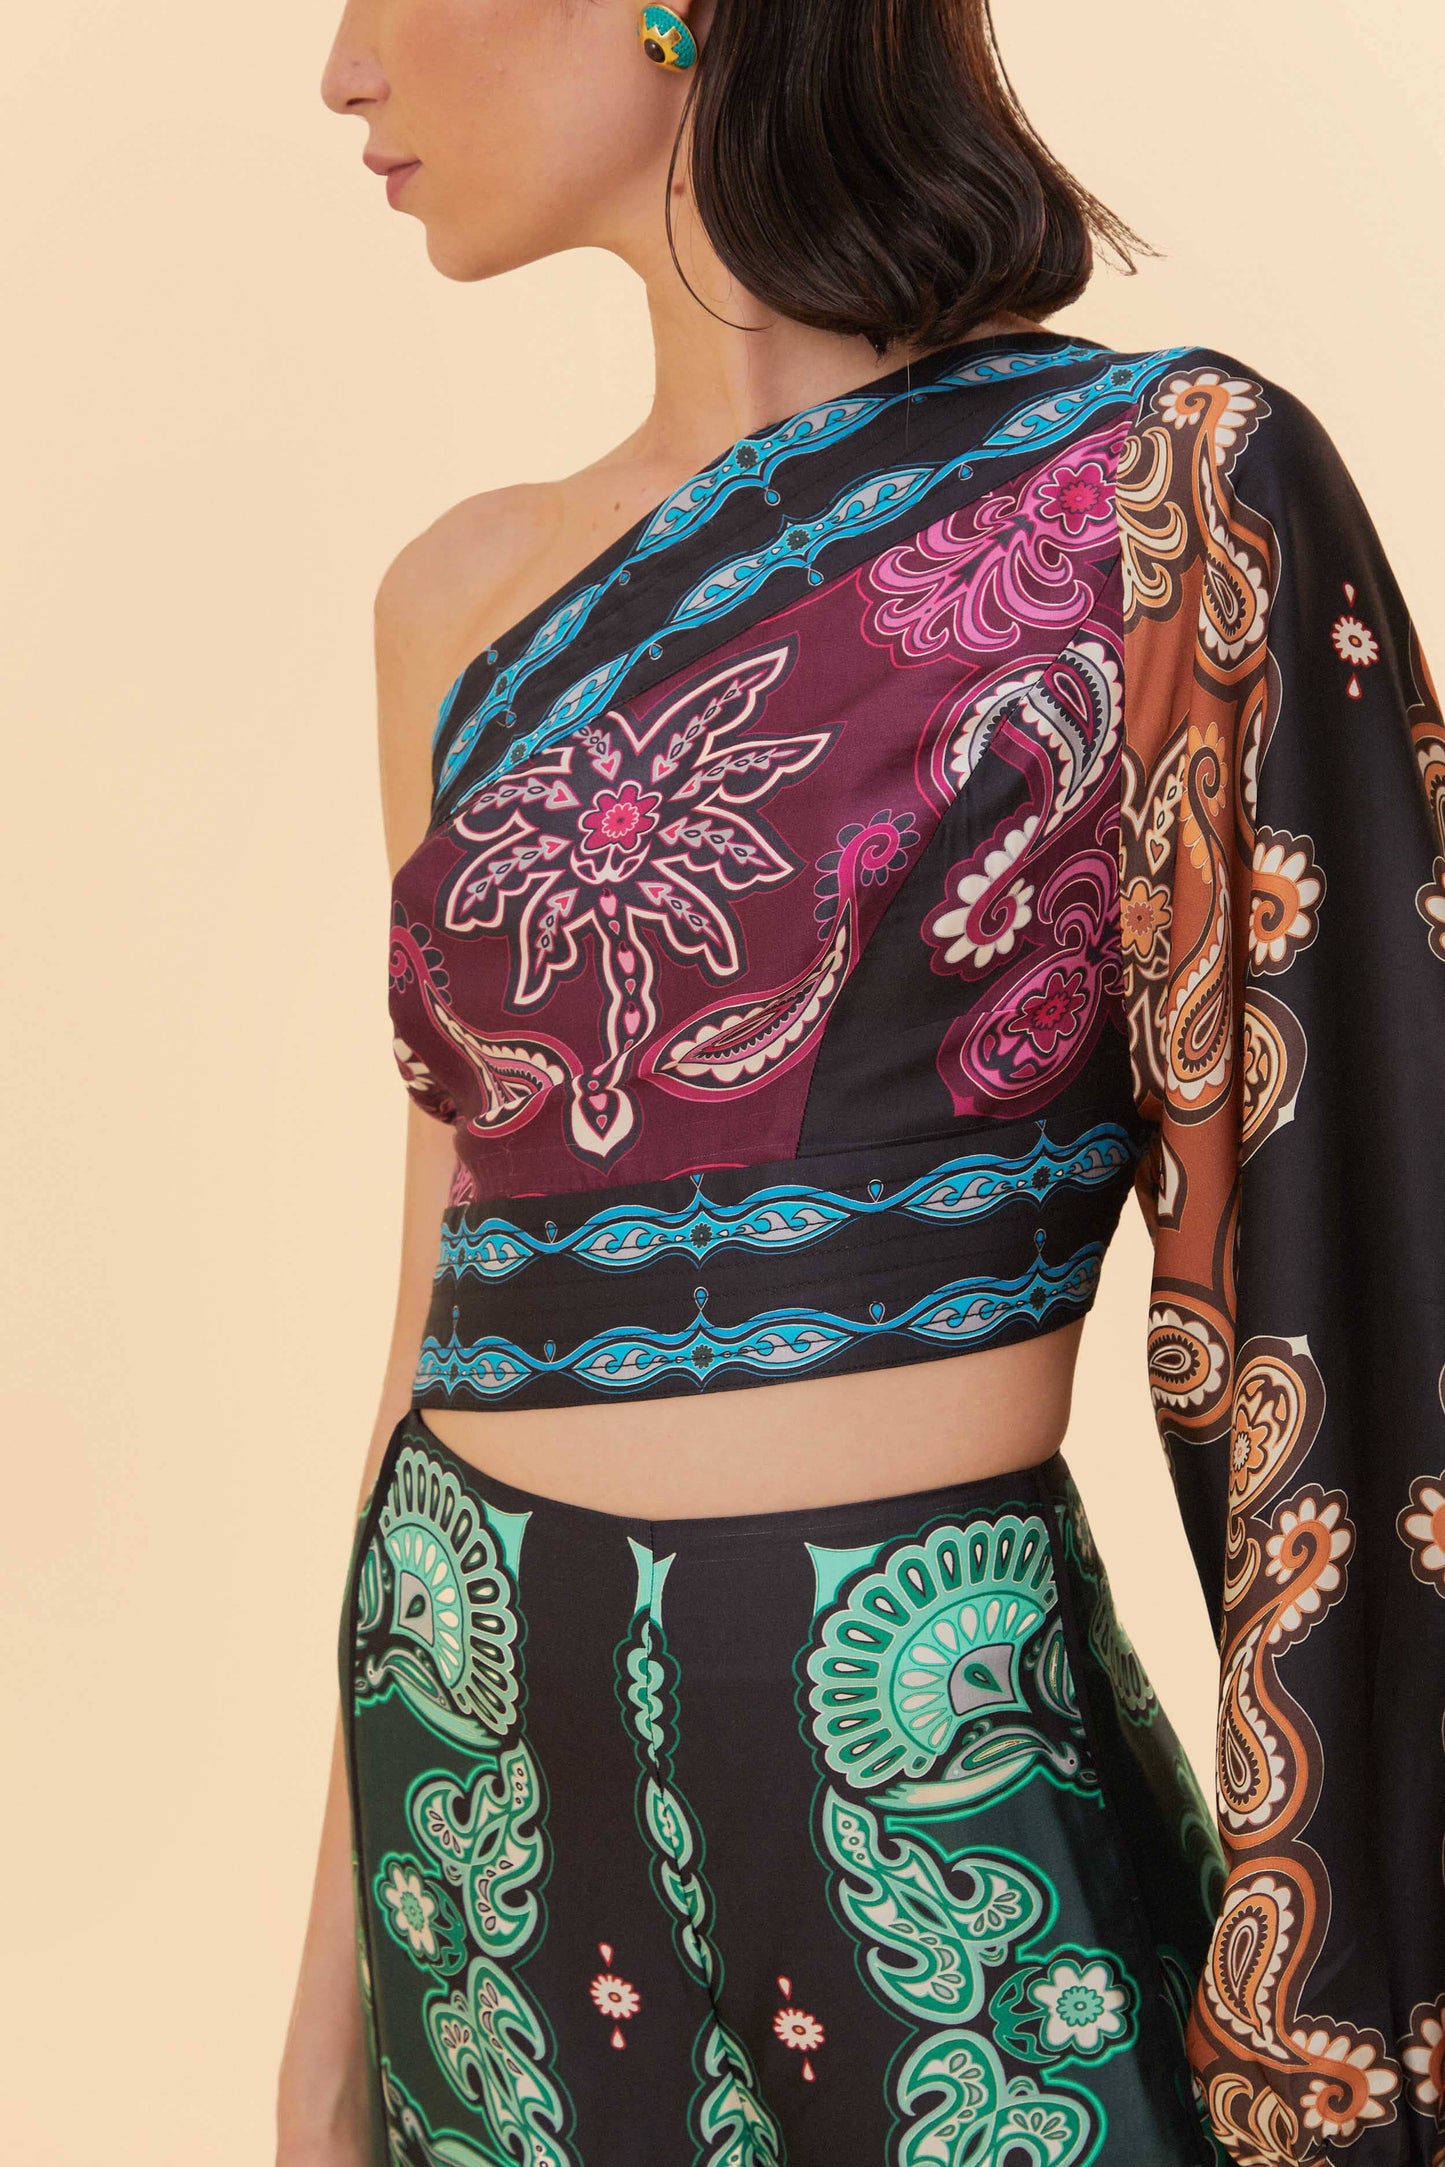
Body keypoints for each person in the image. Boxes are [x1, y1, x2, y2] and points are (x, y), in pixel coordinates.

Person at [280, 2, 1445, 2162]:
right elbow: (433, 1315)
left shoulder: (1159, 488)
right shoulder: (456, 602)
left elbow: (1360, 1262)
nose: (342, 70)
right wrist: (324, 2020)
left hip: (916, 1744)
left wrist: (1335, 2021)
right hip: (469, 1764)